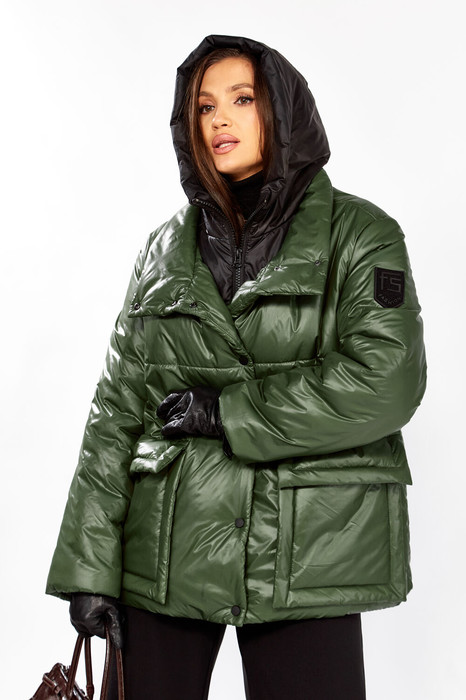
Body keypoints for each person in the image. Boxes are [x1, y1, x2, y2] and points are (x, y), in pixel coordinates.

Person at [46, 34, 427, 700]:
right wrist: (88, 566)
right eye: (204, 107)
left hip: (305, 554)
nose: (219, 119)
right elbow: (116, 409)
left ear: (283, 110)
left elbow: (387, 379)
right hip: (164, 551)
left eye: (242, 99)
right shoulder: (163, 251)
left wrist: (229, 413)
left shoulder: (360, 235)